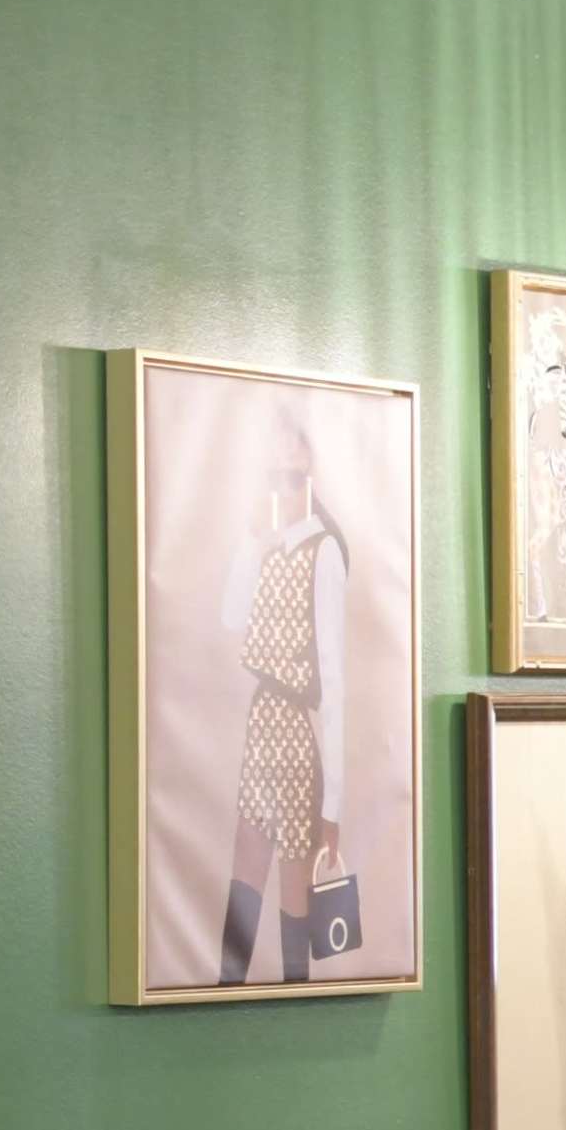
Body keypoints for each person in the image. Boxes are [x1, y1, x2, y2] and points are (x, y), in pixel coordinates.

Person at [216, 416, 351, 986]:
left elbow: (334, 680)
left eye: (294, 477)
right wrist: (253, 539)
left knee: (294, 887)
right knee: (245, 873)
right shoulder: (269, 547)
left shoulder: (324, 553)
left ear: (312, 477)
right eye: (274, 478)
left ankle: (297, 997)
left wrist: (333, 808)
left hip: (296, 734)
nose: (285, 490)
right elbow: (230, 616)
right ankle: (225, 995)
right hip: (262, 729)